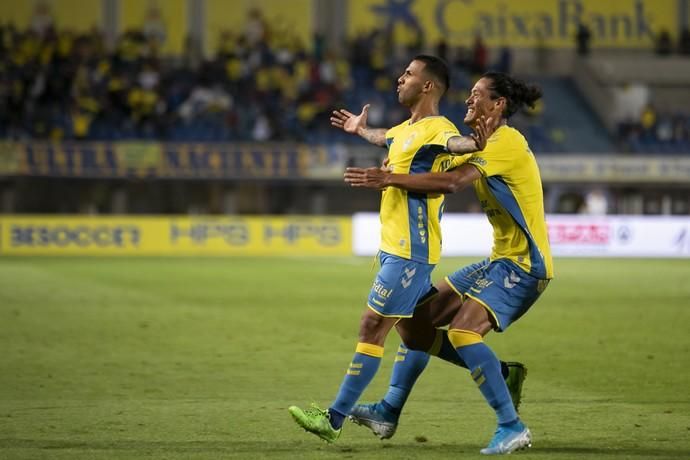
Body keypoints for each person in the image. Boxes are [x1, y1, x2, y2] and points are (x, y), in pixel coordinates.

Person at [344, 72, 554, 455]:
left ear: (498, 104)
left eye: (477, 95)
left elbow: (452, 183)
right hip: (498, 260)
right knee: (413, 321)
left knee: (463, 333)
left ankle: (512, 426)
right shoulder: (479, 145)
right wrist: (365, 132)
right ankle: (389, 411)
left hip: (524, 265)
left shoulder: (507, 142)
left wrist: (390, 178)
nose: (469, 100)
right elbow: (402, 138)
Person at [288, 55, 493, 443]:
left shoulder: (438, 129)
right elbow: (387, 137)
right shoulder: (405, 129)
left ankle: (332, 419)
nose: (400, 79)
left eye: (409, 74)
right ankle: (500, 371)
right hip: (393, 248)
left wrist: (475, 141)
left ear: (428, 86)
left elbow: (458, 143)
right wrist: (360, 130)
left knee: (372, 325)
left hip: (410, 251)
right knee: (414, 333)